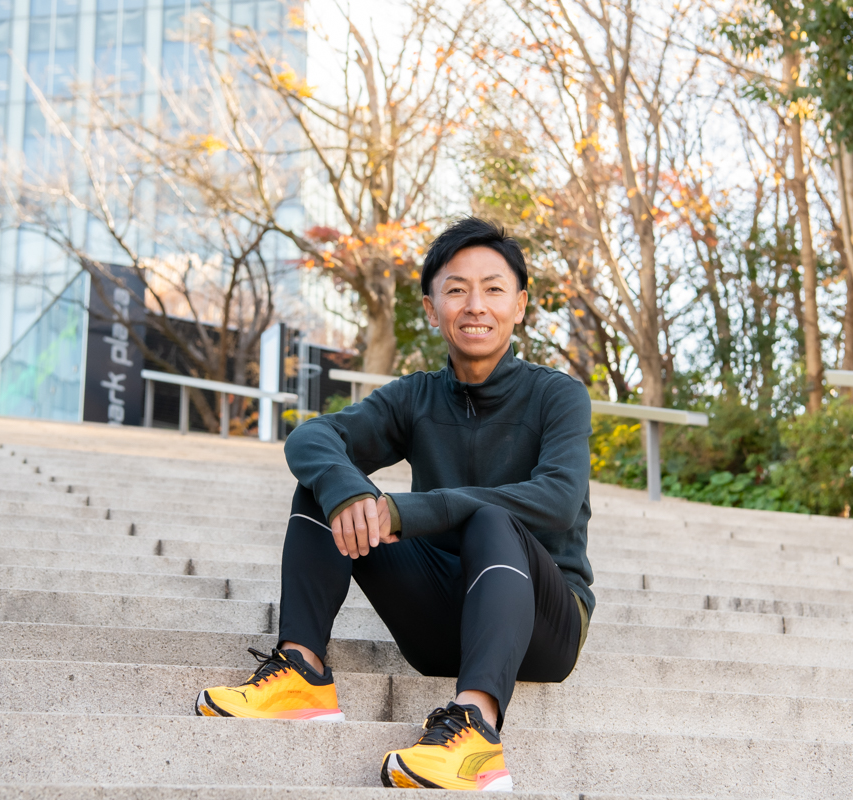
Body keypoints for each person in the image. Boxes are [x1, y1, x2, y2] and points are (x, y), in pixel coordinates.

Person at [195, 217, 594, 792]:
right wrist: (350, 492)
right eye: (456, 290)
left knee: (492, 520)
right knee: (328, 487)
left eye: (493, 289)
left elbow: (557, 501)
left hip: (541, 626)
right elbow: (313, 436)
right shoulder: (416, 397)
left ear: (520, 305)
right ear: (432, 308)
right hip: (439, 624)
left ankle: (476, 732)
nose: (475, 305)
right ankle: (302, 673)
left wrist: (411, 511)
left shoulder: (558, 395)